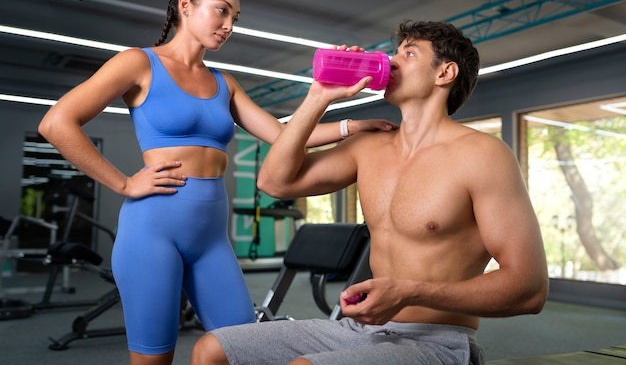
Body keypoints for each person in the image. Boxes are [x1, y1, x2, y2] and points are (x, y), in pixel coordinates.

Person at [38, 0, 395, 365]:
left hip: (211, 239)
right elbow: (56, 123)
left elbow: (283, 135)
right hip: (152, 230)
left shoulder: (225, 83)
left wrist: (353, 126)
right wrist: (123, 183)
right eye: (222, 12)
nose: (228, 26)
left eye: (235, 20)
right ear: (185, 6)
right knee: (154, 358)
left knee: (243, 348)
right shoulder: (138, 63)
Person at [190, 20, 549, 365]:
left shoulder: (483, 155)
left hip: (438, 341)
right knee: (211, 349)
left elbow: (529, 288)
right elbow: (274, 182)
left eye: (409, 54)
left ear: (445, 73)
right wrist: (319, 98)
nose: (391, 61)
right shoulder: (369, 146)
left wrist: (412, 291)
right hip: (361, 329)